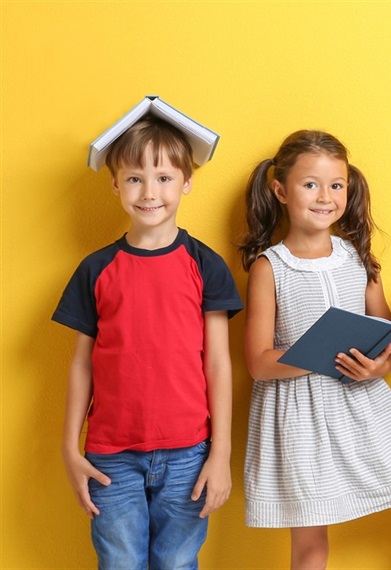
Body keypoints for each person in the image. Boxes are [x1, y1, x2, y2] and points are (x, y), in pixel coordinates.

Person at [238, 130, 391, 569]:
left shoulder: (359, 258)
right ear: (280, 191)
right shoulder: (270, 267)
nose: (325, 197)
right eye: (310, 184)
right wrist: (320, 355)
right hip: (301, 418)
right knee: (311, 550)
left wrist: (378, 367)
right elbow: (258, 364)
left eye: (336, 185)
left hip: (365, 409)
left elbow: (390, 342)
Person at [53, 114, 243, 568]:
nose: (149, 192)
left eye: (163, 178)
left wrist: (221, 453)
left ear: (187, 182)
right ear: (116, 185)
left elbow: (218, 363)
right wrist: (69, 448)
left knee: (177, 563)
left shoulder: (206, 265)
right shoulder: (96, 269)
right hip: (110, 457)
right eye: (135, 178)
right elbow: (82, 364)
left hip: (189, 454)